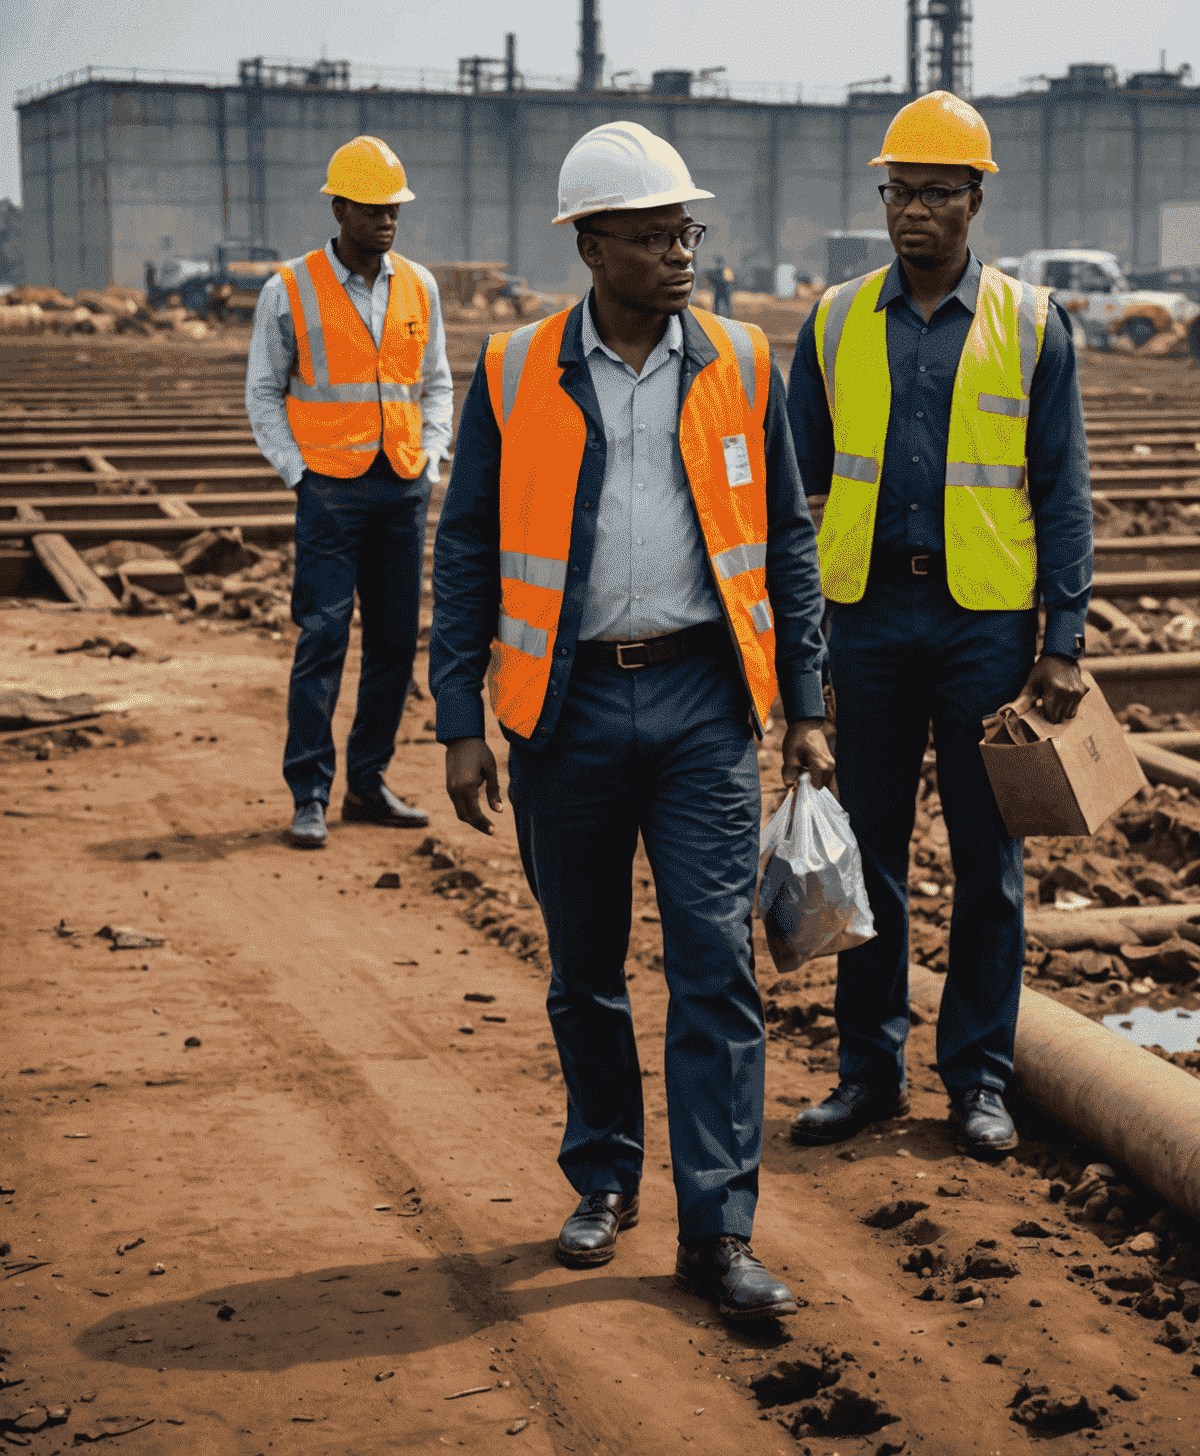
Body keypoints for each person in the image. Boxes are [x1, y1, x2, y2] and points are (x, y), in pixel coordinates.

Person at [428, 122, 833, 1323]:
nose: (679, 255)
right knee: (585, 971)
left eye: (685, 231)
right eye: (653, 237)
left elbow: (793, 547)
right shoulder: (513, 371)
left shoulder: (746, 361)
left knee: (716, 969)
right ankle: (604, 1177)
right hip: (568, 709)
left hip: (708, 704)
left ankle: (718, 1231)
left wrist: (807, 707)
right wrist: (461, 718)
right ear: (592, 247)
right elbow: (464, 555)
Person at [785, 91, 1094, 1158]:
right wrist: (796, 639)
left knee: (987, 863)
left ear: (974, 201)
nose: (912, 212)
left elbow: (1062, 490)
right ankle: (869, 1072)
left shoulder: (1033, 323)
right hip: (866, 619)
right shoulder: (832, 322)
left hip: (984, 627)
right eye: (898, 192)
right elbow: (799, 487)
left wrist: (1063, 643)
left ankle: (979, 1080)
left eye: (935, 193)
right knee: (866, 857)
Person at [245, 135, 452, 849]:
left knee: (395, 644)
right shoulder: (290, 288)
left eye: (393, 208)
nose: (386, 220)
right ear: (340, 209)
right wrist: (297, 473)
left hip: (400, 487)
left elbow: (437, 382)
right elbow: (264, 392)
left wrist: (431, 454)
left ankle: (367, 782)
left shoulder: (419, 286)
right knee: (324, 638)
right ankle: (309, 793)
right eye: (371, 209)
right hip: (329, 491)